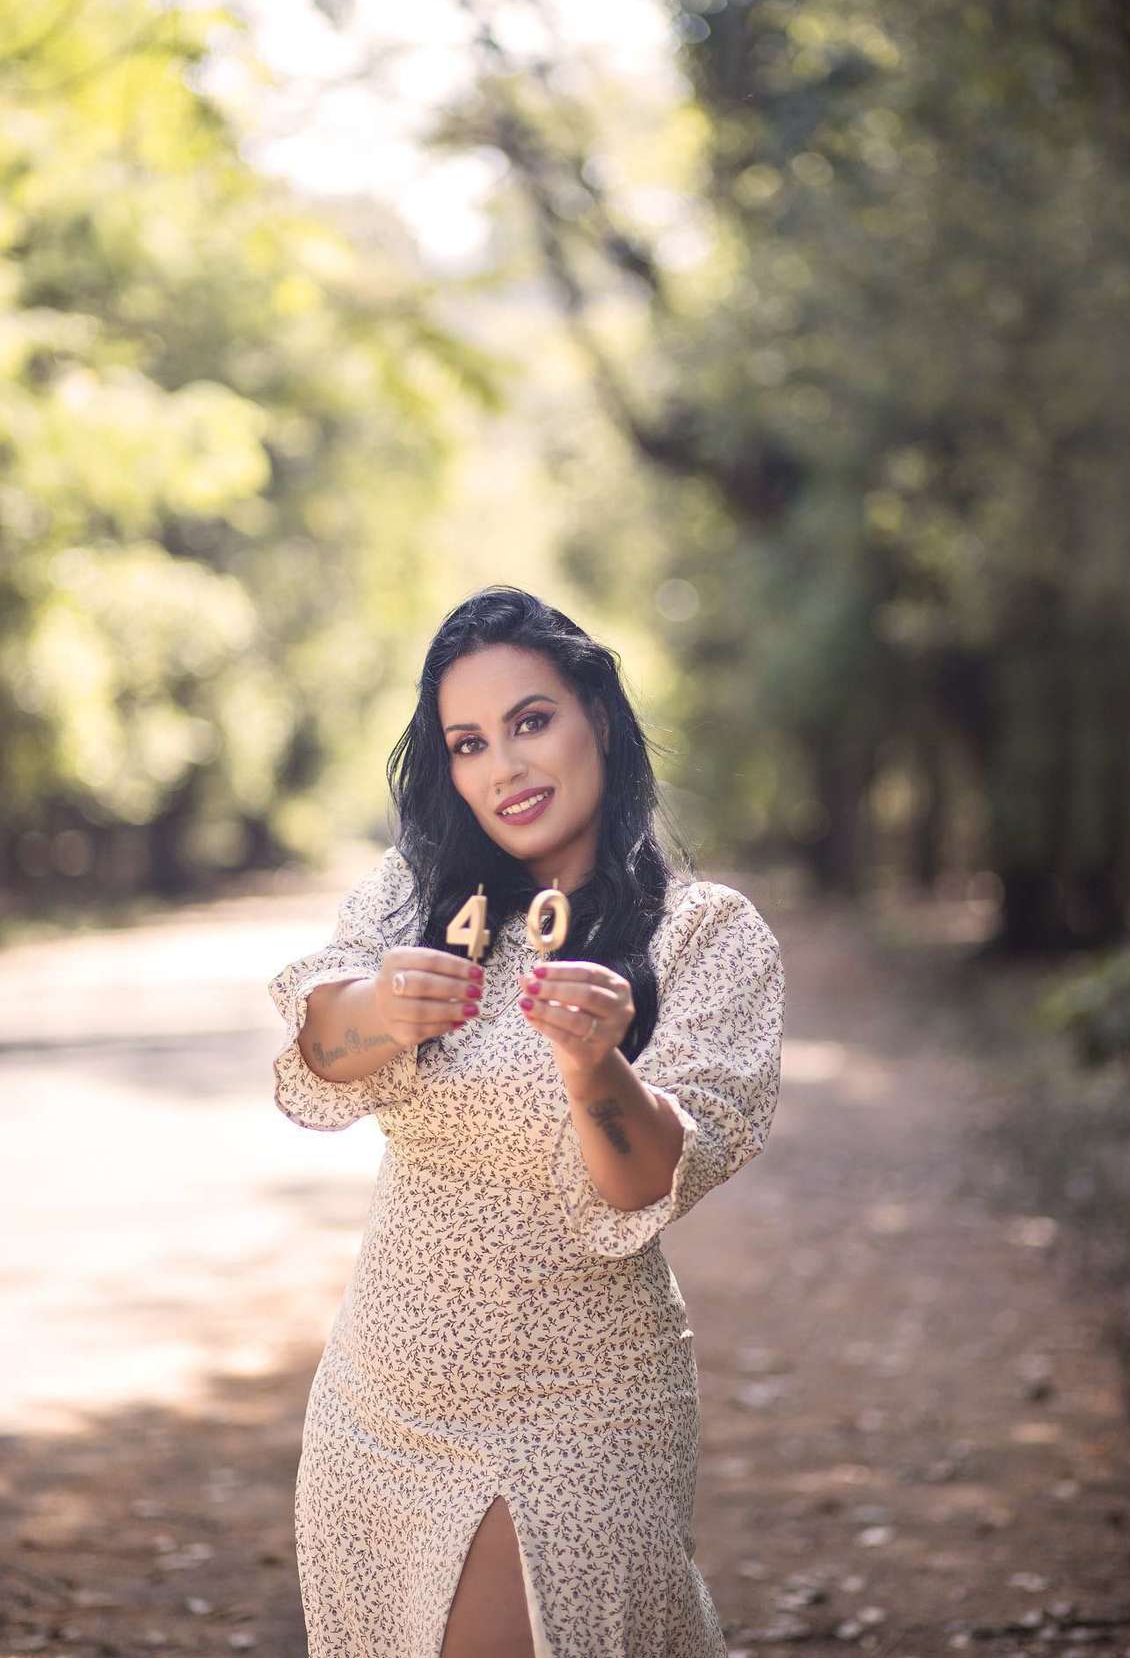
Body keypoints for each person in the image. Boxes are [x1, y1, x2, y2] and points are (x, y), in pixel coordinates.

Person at [267, 584, 786, 1657]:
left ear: (596, 712)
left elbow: (646, 1180)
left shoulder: (706, 936)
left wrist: (596, 1066)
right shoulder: (411, 896)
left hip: (583, 1408)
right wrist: (382, 1011)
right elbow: (322, 1059)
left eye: (530, 721)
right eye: (467, 742)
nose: (502, 767)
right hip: (378, 1398)